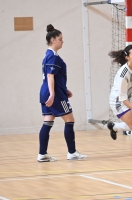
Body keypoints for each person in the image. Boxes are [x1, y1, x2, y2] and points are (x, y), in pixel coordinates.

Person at [37, 24, 87, 162]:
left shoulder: (47, 55)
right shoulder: (53, 56)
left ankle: (42, 154)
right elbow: (50, 76)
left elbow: (54, 77)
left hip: (46, 92)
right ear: (53, 40)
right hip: (54, 94)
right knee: (70, 120)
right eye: (60, 39)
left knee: (47, 121)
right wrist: (53, 94)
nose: (62, 41)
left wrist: (65, 89)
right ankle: (72, 152)